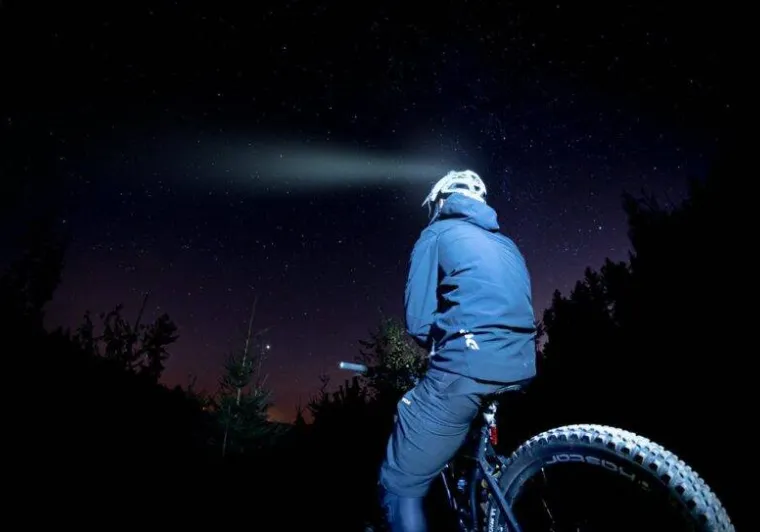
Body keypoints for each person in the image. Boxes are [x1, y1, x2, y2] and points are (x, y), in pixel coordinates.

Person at [378, 170, 538, 531]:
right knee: (474, 449)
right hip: (521, 364)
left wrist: (442, 343)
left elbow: (419, 321)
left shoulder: (435, 234)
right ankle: (484, 495)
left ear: (440, 202)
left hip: (467, 365)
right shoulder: (507, 245)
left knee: (399, 482)